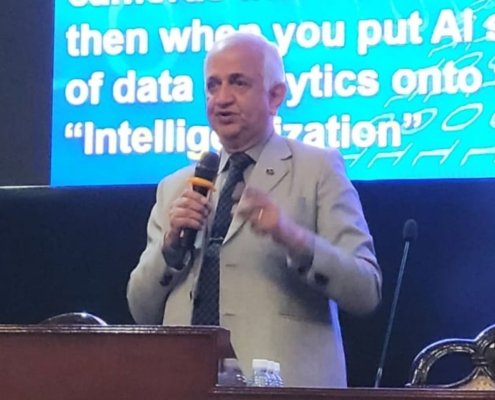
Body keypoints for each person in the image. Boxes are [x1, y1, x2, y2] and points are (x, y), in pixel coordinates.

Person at [127, 32, 382, 388]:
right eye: (212, 86)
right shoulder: (175, 187)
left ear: (275, 95)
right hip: (185, 385)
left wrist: (295, 239)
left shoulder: (317, 170)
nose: (222, 99)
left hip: (286, 389)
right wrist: (169, 249)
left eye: (238, 83)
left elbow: (366, 291)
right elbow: (140, 310)